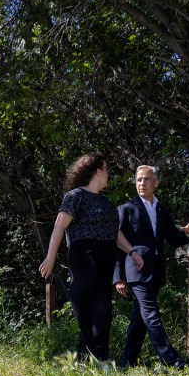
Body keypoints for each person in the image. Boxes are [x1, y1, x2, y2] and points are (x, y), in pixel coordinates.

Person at [39, 153, 144, 364]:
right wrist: (50, 257)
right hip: (84, 255)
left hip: (106, 257)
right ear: (97, 171)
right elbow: (60, 226)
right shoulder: (76, 196)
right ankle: (100, 359)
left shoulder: (106, 203)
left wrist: (132, 252)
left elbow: (115, 233)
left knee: (103, 309)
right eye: (106, 169)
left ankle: (84, 358)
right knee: (87, 306)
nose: (108, 174)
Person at [114, 165, 189, 368]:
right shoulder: (126, 209)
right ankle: (175, 363)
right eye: (138, 180)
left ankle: (126, 364)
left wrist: (188, 232)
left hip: (155, 270)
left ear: (156, 183)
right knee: (151, 315)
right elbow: (116, 243)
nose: (141, 183)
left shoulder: (161, 210)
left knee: (139, 320)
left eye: (146, 179)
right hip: (136, 271)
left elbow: (173, 238)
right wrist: (118, 277)